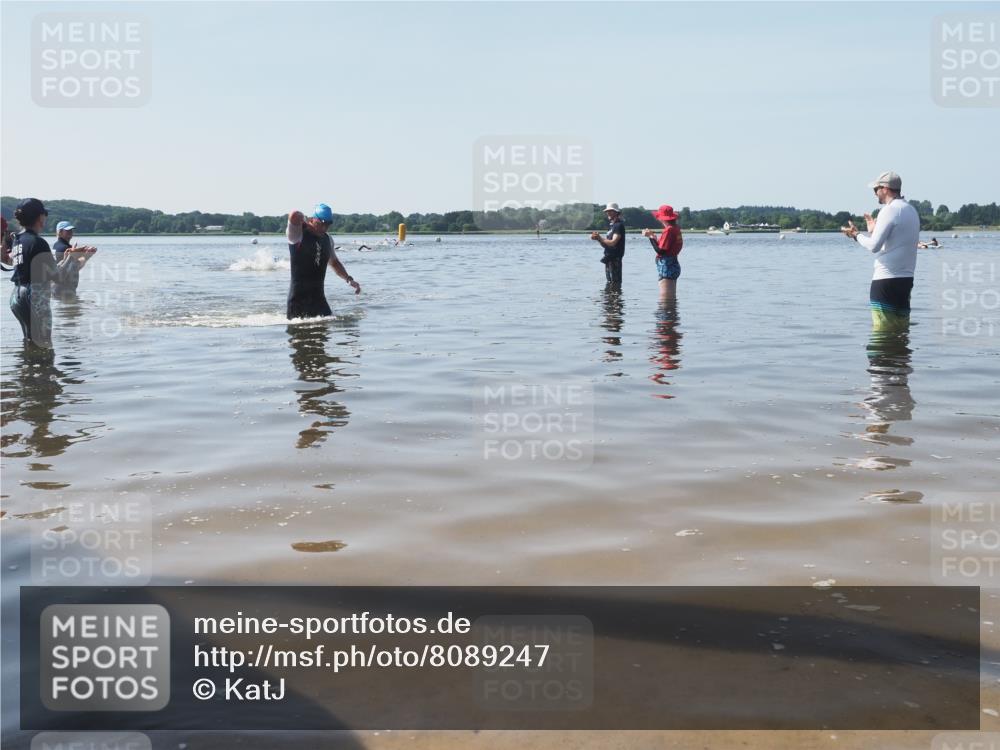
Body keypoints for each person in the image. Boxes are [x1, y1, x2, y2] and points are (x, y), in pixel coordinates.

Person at [841, 171, 920, 332]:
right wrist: (873, 230)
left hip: (885, 280)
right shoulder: (911, 210)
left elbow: (874, 246)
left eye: (876, 189)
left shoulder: (889, 210)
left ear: (885, 188)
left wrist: (856, 235)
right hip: (906, 280)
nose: (875, 193)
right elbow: (894, 242)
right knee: (901, 332)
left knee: (882, 333)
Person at [8, 198, 79, 347]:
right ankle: (42, 369)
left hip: (16, 297)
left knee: (29, 342)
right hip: (35, 297)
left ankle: (28, 368)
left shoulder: (17, 239)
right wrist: (70, 258)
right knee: (44, 345)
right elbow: (58, 277)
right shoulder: (38, 242)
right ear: (40, 217)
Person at [286, 202, 360, 320]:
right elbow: (293, 215)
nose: (325, 228)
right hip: (298, 302)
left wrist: (348, 279)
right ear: (312, 219)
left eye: (328, 224)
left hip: (319, 301)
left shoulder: (328, 239)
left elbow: (334, 263)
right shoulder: (297, 234)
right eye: (322, 224)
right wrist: (306, 224)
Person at [642, 204, 684, 300]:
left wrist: (650, 237)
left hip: (666, 266)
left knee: (665, 301)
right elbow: (667, 248)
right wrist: (654, 238)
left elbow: (661, 251)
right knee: (671, 299)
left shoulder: (668, 230)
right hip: (674, 263)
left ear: (662, 218)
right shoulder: (676, 228)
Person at [51, 220, 97, 296]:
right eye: (67, 230)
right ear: (60, 232)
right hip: (64, 288)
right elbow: (75, 267)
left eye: (71, 230)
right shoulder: (65, 248)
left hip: (56, 287)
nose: (70, 232)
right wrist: (87, 256)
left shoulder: (56, 245)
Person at [590, 203, 626, 286]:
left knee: (615, 283)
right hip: (609, 258)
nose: (608, 213)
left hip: (615, 259)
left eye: (610, 211)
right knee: (610, 283)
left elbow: (613, 242)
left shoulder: (618, 225)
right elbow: (606, 245)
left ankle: (615, 298)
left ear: (616, 212)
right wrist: (598, 239)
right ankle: (610, 298)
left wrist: (600, 238)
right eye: (607, 211)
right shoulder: (611, 226)